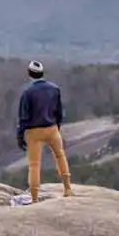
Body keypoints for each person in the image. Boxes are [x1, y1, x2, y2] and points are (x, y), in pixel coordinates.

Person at [15, 60, 72, 204]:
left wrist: (20, 135)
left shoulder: (27, 93)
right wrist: (57, 127)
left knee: (34, 164)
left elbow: (23, 117)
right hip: (52, 128)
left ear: (30, 74)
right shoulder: (54, 89)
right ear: (42, 73)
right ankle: (67, 188)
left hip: (34, 131)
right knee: (60, 156)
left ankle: (34, 198)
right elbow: (59, 111)